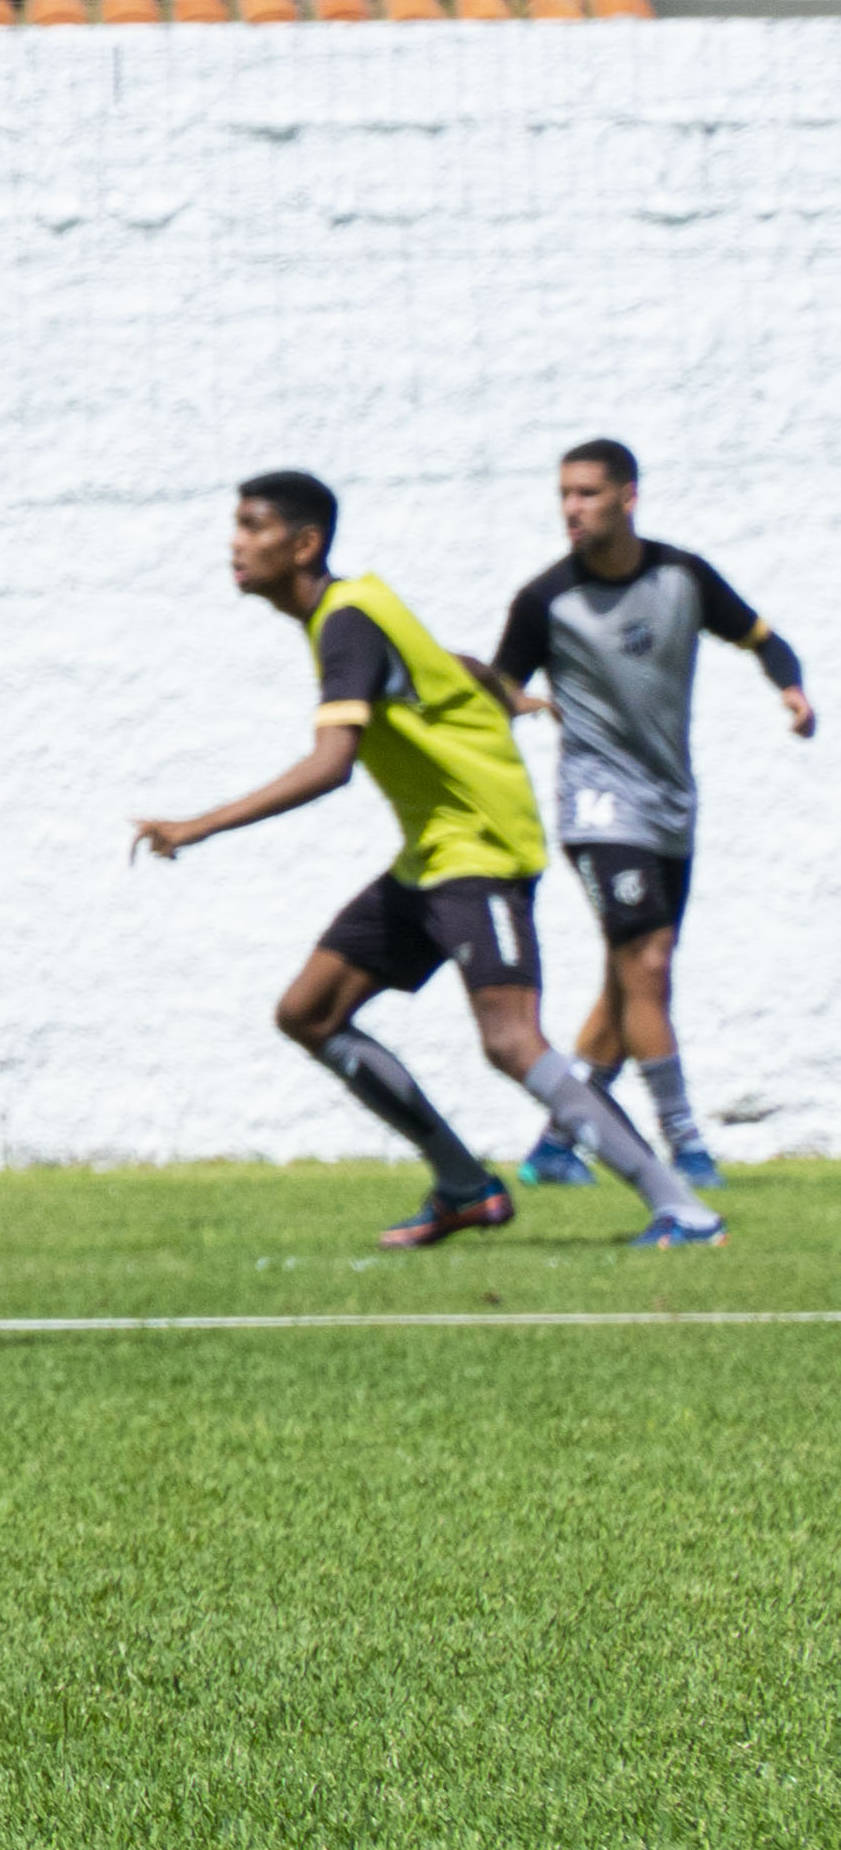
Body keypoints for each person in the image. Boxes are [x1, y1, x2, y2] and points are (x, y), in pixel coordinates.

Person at [132, 474, 721, 1250]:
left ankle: (683, 1208)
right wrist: (500, 691)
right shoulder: (358, 606)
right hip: (432, 851)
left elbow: (333, 762)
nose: (235, 543)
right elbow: (442, 662)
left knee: (511, 1039)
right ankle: (465, 1186)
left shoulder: (345, 621)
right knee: (308, 1012)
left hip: (480, 845)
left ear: (304, 544)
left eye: (252, 526)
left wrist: (199, 824)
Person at [483, 439, 805, 1192]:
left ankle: (558, 1143)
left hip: (669, 806)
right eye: (564, 494)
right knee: (649, 964)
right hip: (598, 806)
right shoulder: (545, 599)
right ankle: (684, 1148)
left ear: (628, 497)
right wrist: (518, 700)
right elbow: (495, 688)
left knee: (632, 979)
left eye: (588, 493)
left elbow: (764, 638)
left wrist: (791, 690)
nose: (571, 508)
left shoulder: (683, 577)